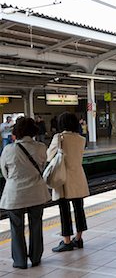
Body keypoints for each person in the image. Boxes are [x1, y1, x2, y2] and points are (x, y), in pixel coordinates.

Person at [0, 117, 50, 269]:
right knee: (36, 226)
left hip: (15, 195)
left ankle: (20, 262)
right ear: (34, 130)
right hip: (36, 193)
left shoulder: (9, 149)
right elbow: (42, 167)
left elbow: (4, 172)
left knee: (16, 228)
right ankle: (36, 258)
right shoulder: (41, 147)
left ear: (16, 132)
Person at [48, 112, 90, 252]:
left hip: (63, 178)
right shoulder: (81, 139)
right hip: (78, 176)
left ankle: (66, 242)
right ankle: (78, 239)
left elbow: (49, 156)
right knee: (79, 209)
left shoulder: (59, 138)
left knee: (64, 210)